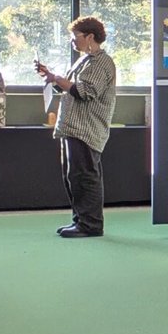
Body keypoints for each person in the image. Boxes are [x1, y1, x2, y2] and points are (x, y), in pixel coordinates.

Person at [35, 16, 118, 238]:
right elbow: (72, 88)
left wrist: (57, 78)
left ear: (90, 37)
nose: (73, 41)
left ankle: (91, 225)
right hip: (74, 128)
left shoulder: (101, 62)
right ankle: (81, 220)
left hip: (86, 130)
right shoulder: (84, 61)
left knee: (85, 177)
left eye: (76, 37)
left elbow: (85, 92)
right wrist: (51, 77)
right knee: (74, 177)